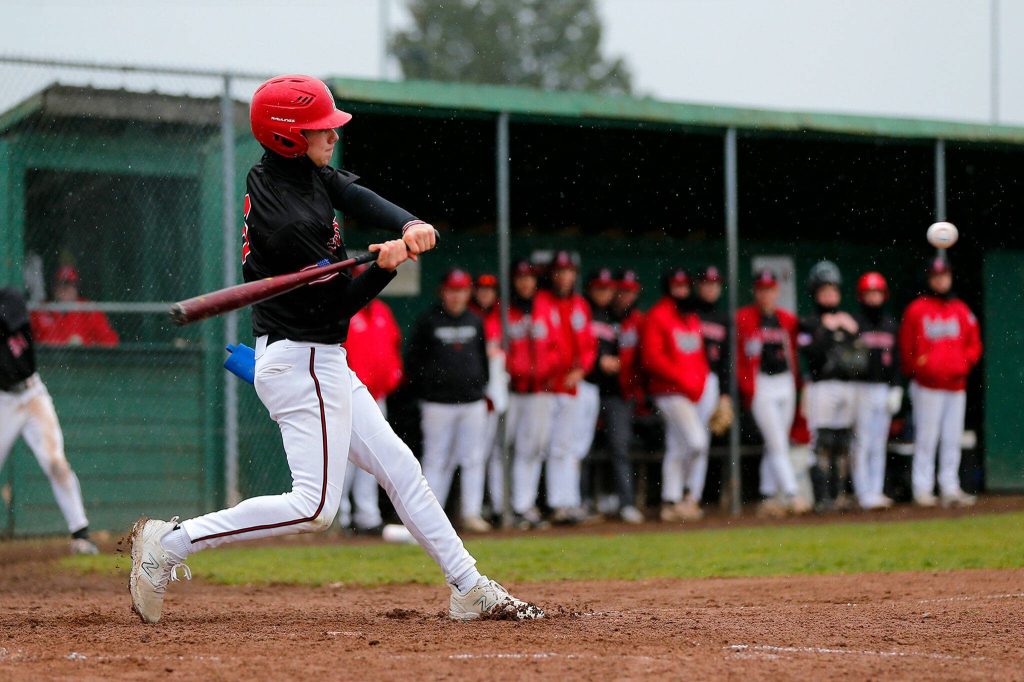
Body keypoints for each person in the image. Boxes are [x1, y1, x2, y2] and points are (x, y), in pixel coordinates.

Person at [128, 74, 542, 624]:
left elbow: (350, 192)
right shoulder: (289, 219)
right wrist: (383, 268)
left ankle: (469, 586)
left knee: (400, 468)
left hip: (314, 357)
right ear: (287, 137)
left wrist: (408, 223)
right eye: (320, 129)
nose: (331, 135)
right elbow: (331, 307)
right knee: (316, 506)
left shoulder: (293, 175)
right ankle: (170, 545)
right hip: (305, 358)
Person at [0, 287, 98, 555]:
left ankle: (81, 533)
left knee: (56, 462)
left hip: (32, 394)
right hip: (3, 401)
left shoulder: (9, 298)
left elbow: (12, 320)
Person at [406, 268, 491, 532]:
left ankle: (471, 513)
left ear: (468, 293)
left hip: (471, 401)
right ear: (443, 291)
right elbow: (413, 362)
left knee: (473, 458)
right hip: (437, 403)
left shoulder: (475, 321)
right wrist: (428, 388)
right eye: (452, 290)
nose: (456, 296)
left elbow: (483, 360)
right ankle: (430, 519)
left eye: (462, 290)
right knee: (435, 459)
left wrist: (479, 386)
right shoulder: (429, 320)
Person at [899, 257, 981, 508]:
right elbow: (906, 347)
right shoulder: (917, 309)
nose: (941, 280)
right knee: (927, 437)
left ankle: (950, 487)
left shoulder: (961, 309)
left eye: (944, 275)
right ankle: (922, 489)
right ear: (929, 279)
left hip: (956, 385)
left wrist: (963, 364)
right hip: (927, 386)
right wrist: (920, 369)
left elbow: (974, 344)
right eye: (936, 276)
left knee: (952, 438)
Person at [736, 269, 809, 516]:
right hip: (761, 385)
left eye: (769, 289)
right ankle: (792, 493)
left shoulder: (786, 319)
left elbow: (796, 354)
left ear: (776, 291)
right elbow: (739, 356)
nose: (766, 294)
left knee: (774, 443)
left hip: (785, 382)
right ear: (755, 292)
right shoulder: (744, 318)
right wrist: (747, 386)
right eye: (761, 289)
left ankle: (767, 497)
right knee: (777, 442)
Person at [641, 269, 710, 522]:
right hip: (668, 392)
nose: (681, 290)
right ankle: (685, 495)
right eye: (676, 285)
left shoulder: (691, 318)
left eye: (684, 285)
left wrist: (699, 384)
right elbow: (652, 359)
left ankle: (671, 501)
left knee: (677, 446)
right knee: (697, 442)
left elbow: (700, 358)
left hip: (691, 392)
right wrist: (684, 380)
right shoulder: (658, 315)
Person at [337, 262, 401, 535]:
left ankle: (367, 516)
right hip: (348, 396)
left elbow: (394, 348)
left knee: (373, 458)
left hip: (377, 396)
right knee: (345, 459)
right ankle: (339, 518)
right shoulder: (344, 313)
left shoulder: (383, 313)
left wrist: (393, 377)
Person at [798, 261, 863, 512]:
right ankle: (822, 497)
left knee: (842, 441)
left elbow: (861, 361)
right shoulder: (809, 323)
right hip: (820, 387)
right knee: (822, 441)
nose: (829, 296)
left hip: (846, 386)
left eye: (833, 291)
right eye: (824, 291)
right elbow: (811, 353)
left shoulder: (847, 321)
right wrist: (826, 329)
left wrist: (853, 335)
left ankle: (840, 494)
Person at [582, 268, 644, 524]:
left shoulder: (623, 318)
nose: (605, 293)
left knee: (619, 447)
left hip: (616, 393)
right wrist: (598, 361)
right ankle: (582, 502)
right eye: (600, 288)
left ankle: (625, 502)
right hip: (586, 386)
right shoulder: (584, 312)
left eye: (609, 288)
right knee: (581, 449)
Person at [505, 258, 561, 529]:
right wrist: (515, 369)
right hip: (512, 391)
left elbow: (557, 347)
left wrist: (544, 372)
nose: (525, 282)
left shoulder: (547, 307)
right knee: (504, 450)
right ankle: (505, 506)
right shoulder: (506, 309)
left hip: (540, 390)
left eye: (530, 277)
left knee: (534, 448)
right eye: (520, 277)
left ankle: (523, 505)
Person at [543, 251, 598, 525]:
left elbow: (589, 345)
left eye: (568, 271)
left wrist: (581, 369)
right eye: (559, 271)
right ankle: (556, 503)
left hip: (573, 385)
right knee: (550, 447)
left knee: (569, 447)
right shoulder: (543, 302)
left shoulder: (580, 304)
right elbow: (543, 346)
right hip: (547, 386)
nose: (564, 276)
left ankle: (567, 501)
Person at [850, 272, 901, 510]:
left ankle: (876, 490)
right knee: (862, 441)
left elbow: (898, 359)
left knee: (879, 442)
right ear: (862, 296)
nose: (873, 297)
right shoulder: (855, 324)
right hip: (861, 387)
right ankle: (863, 492)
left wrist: (896, 387)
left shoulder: (891, 324)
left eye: (877, 292)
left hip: (883, 388)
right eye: (869, 293)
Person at [469, 273, 508, 520]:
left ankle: (497, 505)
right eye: (481, 289)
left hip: (500, 388)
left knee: (497, 451)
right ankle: (477, 506)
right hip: (476, 391)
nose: (485, 294)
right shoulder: (471, 318)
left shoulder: (501, 315)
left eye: (490, 289)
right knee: (477, 453)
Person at [694, 266, 733, 507]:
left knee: (705, 441)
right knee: (691, 440)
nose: (711, 288)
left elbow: (727, 361)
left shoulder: (723, 318)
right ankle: (683, 495)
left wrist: (725, 394)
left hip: (712, 381)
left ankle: (698, 496)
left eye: (715, 284)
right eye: (706, 283)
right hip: (691, 380)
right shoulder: (690, 314)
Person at [30, 266, 119, 347]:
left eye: (70, 284)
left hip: (81, 363)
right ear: (54, 287)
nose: (65, 289)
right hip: (46, 362)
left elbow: (110, 342)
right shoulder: (40, 310)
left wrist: (88, 349)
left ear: (77, 287)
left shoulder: (89, 310)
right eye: (61, 284)